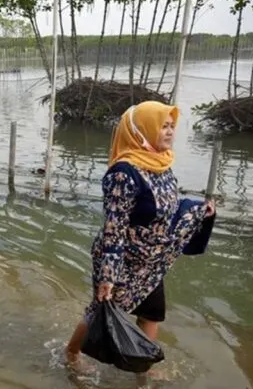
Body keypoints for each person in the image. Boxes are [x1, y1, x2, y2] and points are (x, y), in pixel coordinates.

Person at [65, 101, 216, 368]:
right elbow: (115, 227)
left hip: (152, 260)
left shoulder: (161, 163)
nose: (169, 132)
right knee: (103, 312)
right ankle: (72, 354)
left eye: (171, 126)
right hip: (122, 259)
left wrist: (198, 211)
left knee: (153, 314)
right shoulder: (124, 173)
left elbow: (167, 208)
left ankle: (143, 371)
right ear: (142, 130)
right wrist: (108, 278)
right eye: (162, 126)